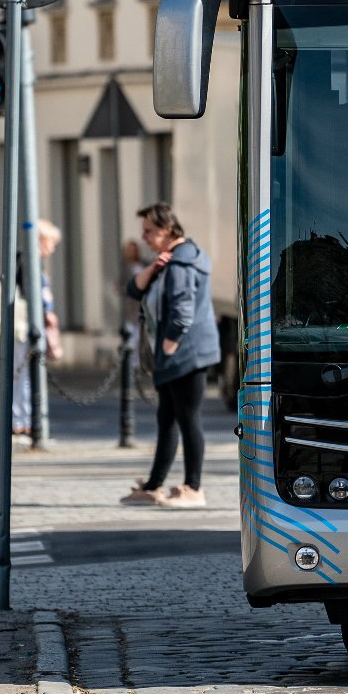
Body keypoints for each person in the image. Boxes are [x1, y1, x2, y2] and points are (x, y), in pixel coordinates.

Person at [120, 204, 220, 509]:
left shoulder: (182, 264)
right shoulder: (169, 262)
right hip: (178, 355)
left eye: (149, 231)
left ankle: (194, 488)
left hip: (187, 353)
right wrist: (152, 268)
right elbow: (133, 291)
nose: (144, 237)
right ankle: (153, 486)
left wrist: (169, 345)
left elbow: (182, 310)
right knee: (167, 419)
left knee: (188, 418)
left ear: (167, 229)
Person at [9, 222, 64, 437]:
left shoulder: (34, 262)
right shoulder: (28, 261)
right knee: (22, 373)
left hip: (30, 324)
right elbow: (29, 293)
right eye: (52, 244)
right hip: (24, 325)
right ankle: (21, 420)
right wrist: (45, 310)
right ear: (42, 242)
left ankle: (26, 418)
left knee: (25, 374)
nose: (53, 249)